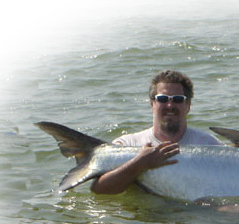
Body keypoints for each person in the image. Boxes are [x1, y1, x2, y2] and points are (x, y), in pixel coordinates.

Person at [91, 70, 223, 194]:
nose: (170, 105)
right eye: (163, 99)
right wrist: (139, 164)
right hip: (143, 216)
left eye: (177, 99)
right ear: (152, 104)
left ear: (188, 105)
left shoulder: (209, 145)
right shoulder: (128, 144)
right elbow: (99, 189)